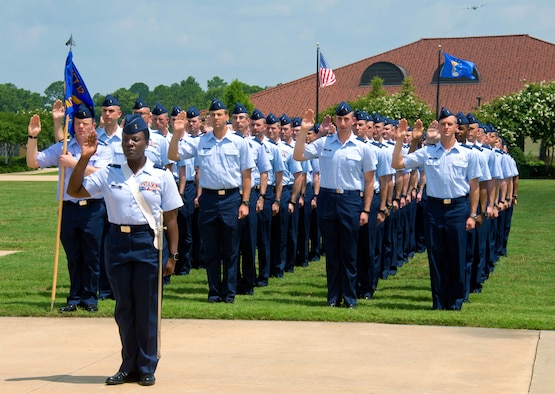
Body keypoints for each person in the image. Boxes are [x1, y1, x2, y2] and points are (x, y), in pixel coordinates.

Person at [67, 113, 182, 386]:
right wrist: (84, 157)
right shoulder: (109, 173)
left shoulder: (161, 176)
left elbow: (172, 220)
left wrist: (173, 256)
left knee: (147, 308)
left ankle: (146, 365)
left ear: (146, 142)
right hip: (117, 243)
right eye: (127, 140)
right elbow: (75, 191)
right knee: (124, 307)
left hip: (147, 243)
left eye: (136, 139)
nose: (131, 144)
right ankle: (128, 363)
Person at [392, 108, 481, 310]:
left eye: (450, 124)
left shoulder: (468, 155)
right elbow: (397, 163)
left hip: (458, 208)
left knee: (457, 255)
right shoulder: (428, 152)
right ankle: (439, 301)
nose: (446, 127)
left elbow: (475, 186)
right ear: (439, 127)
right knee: (436, 255)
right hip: (433, 208)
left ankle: (455, 301)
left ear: (456, 127)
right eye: (443, 124)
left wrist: (473, 214)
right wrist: (400, 141)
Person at [169, 98, 255, 303]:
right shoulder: (201, 142)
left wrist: (245, 202)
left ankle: (229, 293)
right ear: (208, 118)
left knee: (231, 249)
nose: (216, 118)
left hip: (232, 198)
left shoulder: (239, 142)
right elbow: (173, 155)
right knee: (211, 249)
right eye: (213, 115)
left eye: (220, 114)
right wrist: (176, 133)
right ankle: (214, 291)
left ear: (226, 117)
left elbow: (247, 175)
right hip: (208, 198)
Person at [27, 104, 111, 313]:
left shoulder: (103, 148)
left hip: (93, 207)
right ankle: (74, 297)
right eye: (78, 123)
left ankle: (90, 298)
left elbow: (102, 175)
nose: (81, 127)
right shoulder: (64, 147)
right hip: (69, 209)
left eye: (85, 123)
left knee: (91, 255)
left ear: (93, 126)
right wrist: (33, 138)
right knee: (73, 256)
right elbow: (33, 162)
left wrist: (74, 163)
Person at [294, 102, 376, 308]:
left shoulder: (363, 148)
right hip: (328, 199)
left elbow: (369, 182)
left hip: (350, 200)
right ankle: (333, 297)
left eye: (346, 119)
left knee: (349, 252)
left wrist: (366, 209)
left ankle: (349, 297)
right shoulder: (324, 143)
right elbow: (298, 155)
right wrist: (304, 130)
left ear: (353, 121)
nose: (342, 123)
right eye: (339, 119)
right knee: (331, 252)